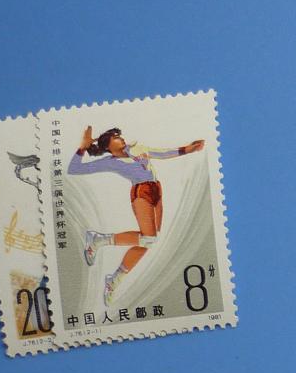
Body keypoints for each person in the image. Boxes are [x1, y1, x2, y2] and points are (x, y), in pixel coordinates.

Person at [69, 126, 206, 305]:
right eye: (116, 137)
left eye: (119, 135)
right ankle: (100, 242)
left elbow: (162, 153)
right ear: (108, 145)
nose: (121, 138)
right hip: (141, 192)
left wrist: (188, 149)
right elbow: (74, 169)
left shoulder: (137, 148)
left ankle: (113, 277)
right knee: (148, 239)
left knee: (148, 241)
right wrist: (82, 148)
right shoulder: (110, 162)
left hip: (156, 189)